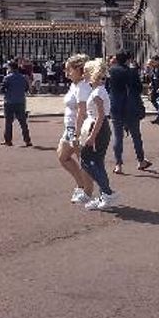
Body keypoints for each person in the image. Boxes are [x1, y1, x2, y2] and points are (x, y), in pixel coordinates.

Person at [79, 57, 119, 210]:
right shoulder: (98, 90)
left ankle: (108, 193)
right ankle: (104, 195)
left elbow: (100, 115)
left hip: (97, 128)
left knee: (86, 160)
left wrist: (92, 136)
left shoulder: (97, 93)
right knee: (97, 162)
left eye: (86, 72)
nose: (84, 75)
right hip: (98, 127)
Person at [58, 53, 96, 206]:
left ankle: (88, 192)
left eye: (69, 70)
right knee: (62, 156)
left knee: (84, 161)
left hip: (78, 128)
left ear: (79, 70)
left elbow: (82, 111)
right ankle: (82, 186)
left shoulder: (83, 86)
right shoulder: (75, 84)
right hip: (70, 127)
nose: (66, 73)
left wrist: (77, 132)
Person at [107, 52, 151, 174]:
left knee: (118, 137)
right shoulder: (132, 72)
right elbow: (139, 89)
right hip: (131, 107)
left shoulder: (112, 71)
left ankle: (118, 164)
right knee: (136, 136)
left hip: (116, 107)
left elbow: (108, 88)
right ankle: (141, 160)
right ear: (127, 60)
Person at [1, 62, 32, 147]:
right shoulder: (23, 77)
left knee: (8, 122)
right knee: (23, 122)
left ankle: (8, 140)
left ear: (11, 68)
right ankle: (27, 140)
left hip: (9, 101)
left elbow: (2, 89)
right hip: (20, 101)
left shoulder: (7, 78)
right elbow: (26, 89)